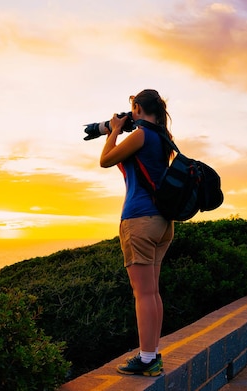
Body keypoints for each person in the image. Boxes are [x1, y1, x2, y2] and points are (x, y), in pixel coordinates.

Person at [99, 89, 175, 377]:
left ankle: (146, 359)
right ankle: (151, 353)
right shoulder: (164, 139)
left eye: (133, 109)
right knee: (152, 292)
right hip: (162, 222)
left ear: (140, 108)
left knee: (142, 294)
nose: (131, 114)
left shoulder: (142, 135)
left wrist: (114, 131)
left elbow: (105, 160)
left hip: (139, 220)